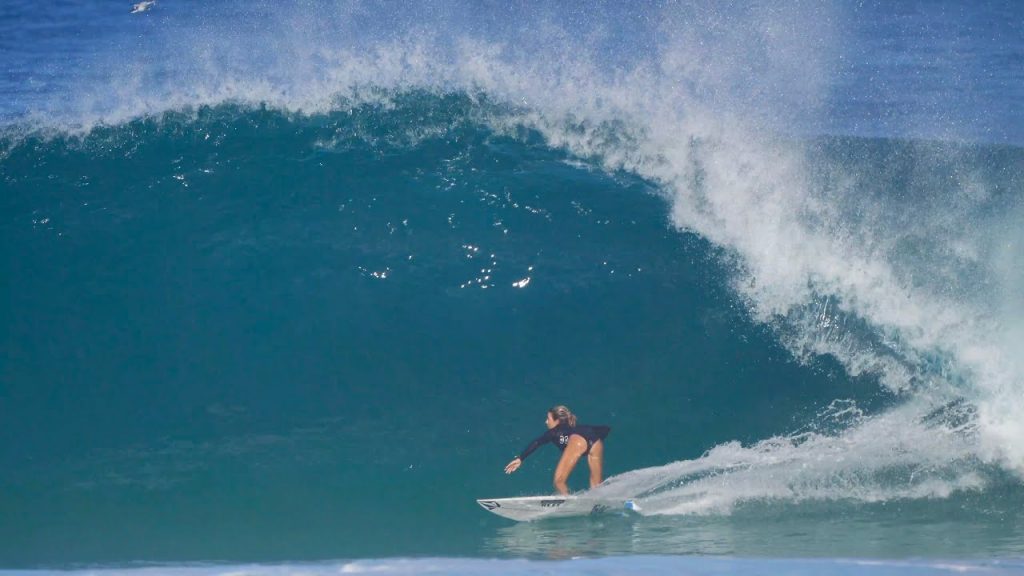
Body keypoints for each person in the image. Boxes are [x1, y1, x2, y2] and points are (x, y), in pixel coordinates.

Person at [504, 405, 610, 495]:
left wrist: (521, 458)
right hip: (596, 441)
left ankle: (570, 502)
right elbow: (604, 429)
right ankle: (598, 503)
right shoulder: (576, 427)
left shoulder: (554, 432)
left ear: (557, 421)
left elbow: (537, 442)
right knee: (596, 483)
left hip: (578, 441)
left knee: (558, 482)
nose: (546, 422)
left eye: (548, 419)